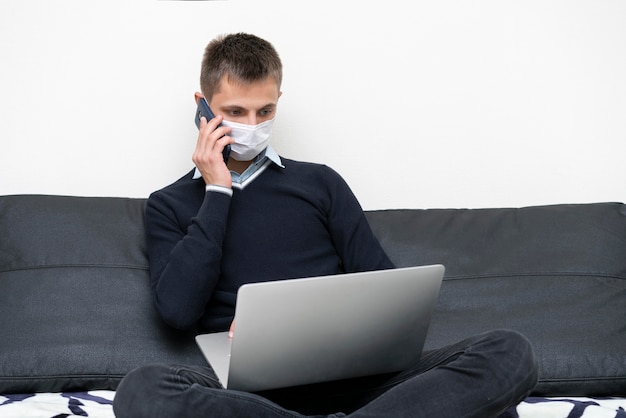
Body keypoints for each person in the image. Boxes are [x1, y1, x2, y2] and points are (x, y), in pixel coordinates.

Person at [113, 32, 537, 418]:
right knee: (142, 391)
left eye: (266, 110)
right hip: (250, 402)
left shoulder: (320, 183)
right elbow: (178, 311)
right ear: (202, 107)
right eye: (235, 111)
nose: (252, 125)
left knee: (509, 353)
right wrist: (217, 193)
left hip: (362, 388)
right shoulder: (169, 204)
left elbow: (386, 293)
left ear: (279, 99)